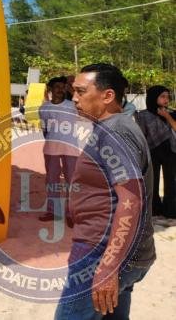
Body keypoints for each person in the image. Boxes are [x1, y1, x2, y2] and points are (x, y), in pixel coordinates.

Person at [55, 64, 155, 320]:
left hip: (100, 254)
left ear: (108, 96)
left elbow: (131, 199)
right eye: (73, 91)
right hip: (116, 253)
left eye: (80, 91)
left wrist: (109, 266)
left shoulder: (116, 131)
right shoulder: (112, 127)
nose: (74, 98)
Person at [38, 76, 81, 223]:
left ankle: (71, 213)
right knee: (52, 182)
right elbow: (45, 129)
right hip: (51, 149)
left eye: (63, 87)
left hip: (71, 149)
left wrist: (72, 88)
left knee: (71, 181)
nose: (60, 90)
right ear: (50, 89)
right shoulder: (44, 108)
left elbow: (83, 104)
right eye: (57, 87)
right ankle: (52, 212)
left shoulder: (73, 105)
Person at [136, 86, 176, 218]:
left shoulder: (172, 113)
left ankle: (170, 209)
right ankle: (154, 208)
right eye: (162, 96)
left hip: (171, 150)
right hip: (152, 151)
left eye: (167, 97)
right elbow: (142, 135)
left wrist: (167, 116)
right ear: (154, 97)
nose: (166, 100)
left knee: (171, 181)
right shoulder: (142, 115)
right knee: (153, 181)